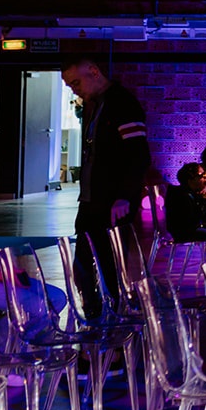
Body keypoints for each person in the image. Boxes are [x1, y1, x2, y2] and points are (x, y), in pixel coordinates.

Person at [60, 55, 150, 318]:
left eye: (76, 82)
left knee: (106, 263)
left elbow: (139, 155)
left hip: (110, 202)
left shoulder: (121, 103)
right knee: (86, 263)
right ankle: (97, 315)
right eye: (70, 85)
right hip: (92, 199)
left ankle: (108, 316)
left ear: (94, 71)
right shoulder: (98, 104)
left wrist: (123, 197)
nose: (74, 89)